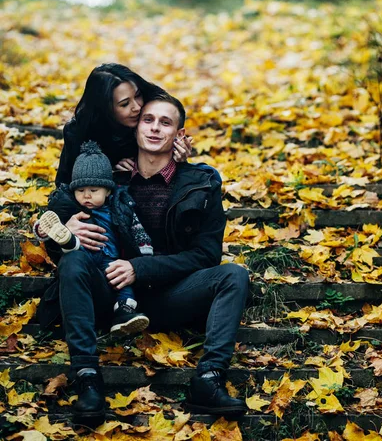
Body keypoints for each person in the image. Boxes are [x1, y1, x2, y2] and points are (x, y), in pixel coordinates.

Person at [42, 93, 249, 426]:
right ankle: (87, 377)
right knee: (73, 261)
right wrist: (60, 227)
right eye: (148, 120)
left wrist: (140, 268)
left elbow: (206, 256)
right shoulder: (108, 178)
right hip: (108, 293)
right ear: (136, 127)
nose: (154, 128)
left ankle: (209, 379)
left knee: (234, 275)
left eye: (165, 123)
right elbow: (58, 231)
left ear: (180, 135)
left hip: (169, 295)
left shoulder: (201, 184)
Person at [36, 141, 152, 336]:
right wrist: (46, 229)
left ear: (108, 191)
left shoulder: (121, 207)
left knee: (122, 284)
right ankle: (67, 240)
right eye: (80, 191)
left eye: (94, 191)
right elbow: (49, 221)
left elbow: (137, 230)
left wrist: (145, 252)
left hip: (111, 260)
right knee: (71, 250)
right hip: (83, 257)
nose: (86, 196)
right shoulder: (71, 207)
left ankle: (124, 313)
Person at [55, 63, 192, 188]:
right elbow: (65, 182)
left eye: (137, 95)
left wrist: (178, 159)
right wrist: (107, 170)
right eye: (125, 104)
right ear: (105, 109)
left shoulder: (148, 111)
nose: (137, 107)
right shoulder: (79, 131)